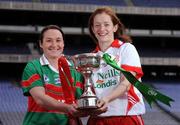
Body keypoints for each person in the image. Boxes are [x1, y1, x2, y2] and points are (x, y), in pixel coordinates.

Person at [87, 7, 146, 125]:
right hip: (98, 118)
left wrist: (107, 99)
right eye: (97, 25)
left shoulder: (126, 49)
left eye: (106, 24)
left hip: (125, 117)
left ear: (115, 27)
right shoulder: (90, 57)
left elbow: (126, 84)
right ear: (93, 29)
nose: (102, 29)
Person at [21, 25, 84, 125]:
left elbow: (81, 100)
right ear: (41, 44)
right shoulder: (33, 67)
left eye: (58, 40)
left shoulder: (75, 69)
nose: (54, 45)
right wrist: (67, 108)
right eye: (49, 40)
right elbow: (40, 99)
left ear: (63, 43)